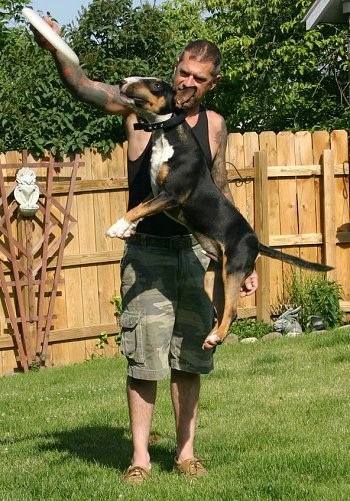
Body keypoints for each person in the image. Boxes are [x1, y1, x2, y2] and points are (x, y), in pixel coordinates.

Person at [34, 23, 258, 483]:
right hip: (148, 252)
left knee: (189, 358)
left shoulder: (214, 125)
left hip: (196, 252)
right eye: (183, 71)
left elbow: (219, 190)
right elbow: (82, 86)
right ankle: (139, 457)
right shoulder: (140, 106)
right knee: (145, 358)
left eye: (199, 77)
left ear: (212, 82)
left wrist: (239, 257)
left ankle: (185, 453)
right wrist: (55, 47)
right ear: (175, 69)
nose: (187, 82)